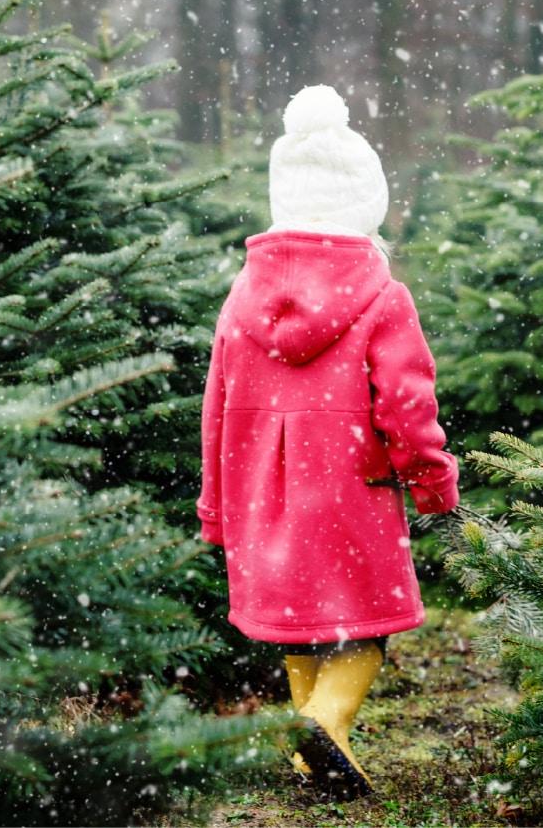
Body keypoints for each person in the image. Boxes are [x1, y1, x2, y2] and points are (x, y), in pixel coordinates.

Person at [197, 84, 459, 800]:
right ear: (364, 205)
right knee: (364, 632)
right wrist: (432, 480)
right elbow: (407, 406)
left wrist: (216, 507)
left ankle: (309, 749)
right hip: (350, 492)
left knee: (300, 627)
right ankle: (323, 724)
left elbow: (215, 410)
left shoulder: (241, 298)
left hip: (261, 491)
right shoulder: (383, 296)